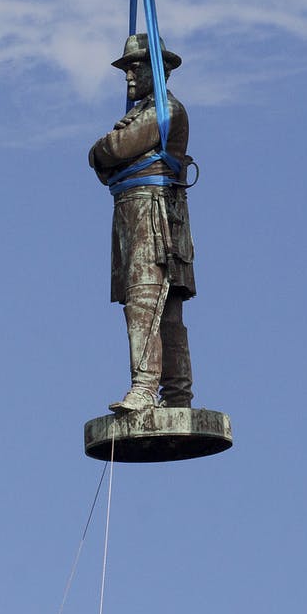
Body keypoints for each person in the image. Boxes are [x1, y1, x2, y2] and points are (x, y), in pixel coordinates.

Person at [89, 33, 196, 413]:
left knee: (146, 301)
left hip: (153, 214)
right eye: (127, 69)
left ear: (158, 70)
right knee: (155, 307)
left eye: (136, 67)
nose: (129, 76)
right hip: (135, 211)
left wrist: (105, 148)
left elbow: (113, 150)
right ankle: (175, 395)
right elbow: (107, 163)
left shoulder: (165, 110)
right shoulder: (146, 112)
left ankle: (147, 388)